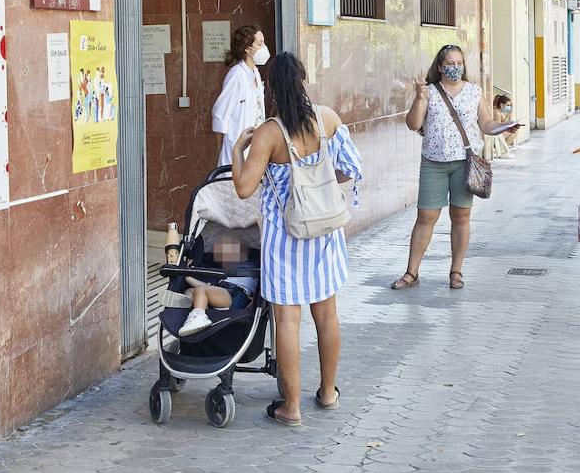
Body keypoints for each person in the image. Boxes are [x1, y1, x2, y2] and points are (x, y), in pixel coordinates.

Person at [230, 52, 363, 427]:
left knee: (288, 322)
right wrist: (319, 186)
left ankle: (291, 408)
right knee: (327, 314)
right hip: (324, 233)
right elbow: (352, 168)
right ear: (304, 80)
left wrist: (238, 149)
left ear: (271, 87)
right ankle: (327, 391)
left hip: (284, 237)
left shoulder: (269, 133)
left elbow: (242, 188)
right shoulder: (328, 119)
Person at [391, 45, 520, 291]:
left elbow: (486, 124)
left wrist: (505, 127)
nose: (455, 68)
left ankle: (456, 271)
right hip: (433, 162)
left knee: (461, 217)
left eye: (459, 63)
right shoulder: (428, 92)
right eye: (449, 64)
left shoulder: (473, 92)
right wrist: (419, 98)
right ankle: (411, 272)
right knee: (425, 217)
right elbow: (413, 124)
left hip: (464, 162)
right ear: (439, 67)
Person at [212, 25, 269, 168]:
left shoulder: (255, 72)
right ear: (247, 48)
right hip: (235, 149)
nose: (264, 48)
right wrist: (220, 152)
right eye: (260, 44)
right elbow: (220, 114)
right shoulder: (237, 75)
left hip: (255, 146)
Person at [483, 94, 516, 160]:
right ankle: (502, 151)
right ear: (501, 105)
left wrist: (509, 115)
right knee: (514, 132)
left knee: (514, 130)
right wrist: (507, 116)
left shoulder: (499, 112)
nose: (509, 107)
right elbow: (500, 127)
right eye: (508, 105)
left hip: (497, 132)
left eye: (510, 106)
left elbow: (505, 122)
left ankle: (503, 148)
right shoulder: (496, 112)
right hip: (495, 134)